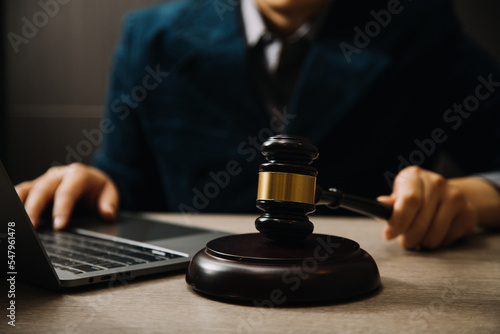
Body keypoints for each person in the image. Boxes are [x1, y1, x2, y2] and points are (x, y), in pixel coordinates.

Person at [15, 0, 500, 250]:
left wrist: (469, 200)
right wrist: (94, 183)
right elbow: (125, 180)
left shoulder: (420, 29)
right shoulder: (152, 38)